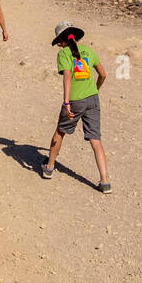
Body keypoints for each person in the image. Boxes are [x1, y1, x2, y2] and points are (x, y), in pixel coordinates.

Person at [42, 22, 110, 193]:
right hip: (93, 99)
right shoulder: (88, 50)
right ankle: (105, 181)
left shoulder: (64, 54)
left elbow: (67, 78)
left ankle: (49, 167)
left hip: (75, 100)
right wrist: (95, 89)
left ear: (62, 41)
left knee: (60, 131)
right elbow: (103, 74)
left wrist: (66, 103)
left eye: (58, 42)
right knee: (95, 139)